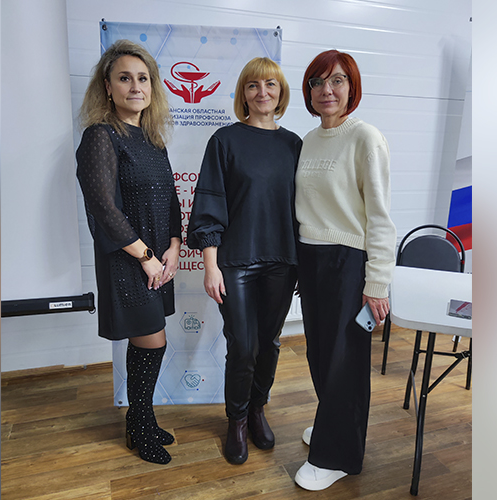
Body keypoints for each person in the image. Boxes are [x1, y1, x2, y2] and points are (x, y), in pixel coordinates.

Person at [187, 57, 302, 465]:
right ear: (243, 94)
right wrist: (210, 265)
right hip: (234, 262)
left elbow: (304, 208)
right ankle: (235, 420)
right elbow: (209, 205)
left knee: (269, 343)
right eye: (253, 85)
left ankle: (257, 409)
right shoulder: (225, 141)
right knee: (243, 345)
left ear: (281, 92)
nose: (262, 92)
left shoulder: (294, 145)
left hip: (282, 261)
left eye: (270, 84)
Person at [292, 50, 398, 491]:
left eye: (337, 80)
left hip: (347, 261)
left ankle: (337, 456)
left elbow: (380, 217)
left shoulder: (365, 138)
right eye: (317, 82)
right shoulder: (309, 140)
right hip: (311, 258)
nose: (327, 90)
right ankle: (335, 424)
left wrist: (377, 282)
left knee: (344, 361)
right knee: (320, 354)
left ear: (351, 86)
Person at [75, 39, 180, 465]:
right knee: (152, 341)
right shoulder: (100, 136)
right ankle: (139, 422)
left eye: (143, 78)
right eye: (125, 78)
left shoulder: (153, 140)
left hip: (156, 257)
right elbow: (103, 207)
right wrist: (146, 256)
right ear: (108, 86)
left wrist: (174, 247)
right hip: (127, 260)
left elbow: (171, 199)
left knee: (150, 341)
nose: (135, 86)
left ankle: (140, 421)